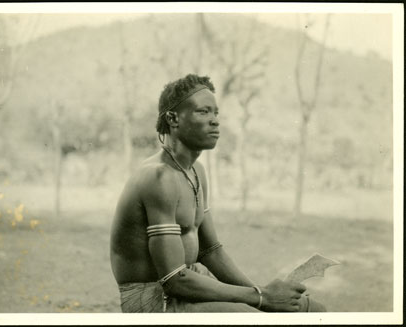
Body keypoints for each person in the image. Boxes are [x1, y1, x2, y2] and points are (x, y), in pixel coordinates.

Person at [110, 74, 326, 313]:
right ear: (173, 118)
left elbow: (210, 250)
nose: (214, 121)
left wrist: (263, 294)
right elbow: (173, 280)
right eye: (203, 112)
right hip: (153, 301)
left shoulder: (196, 172)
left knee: (310, 309)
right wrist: (261, 298)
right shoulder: (159, 177)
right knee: (252, 316)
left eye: (216, 113)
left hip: (192, 283)